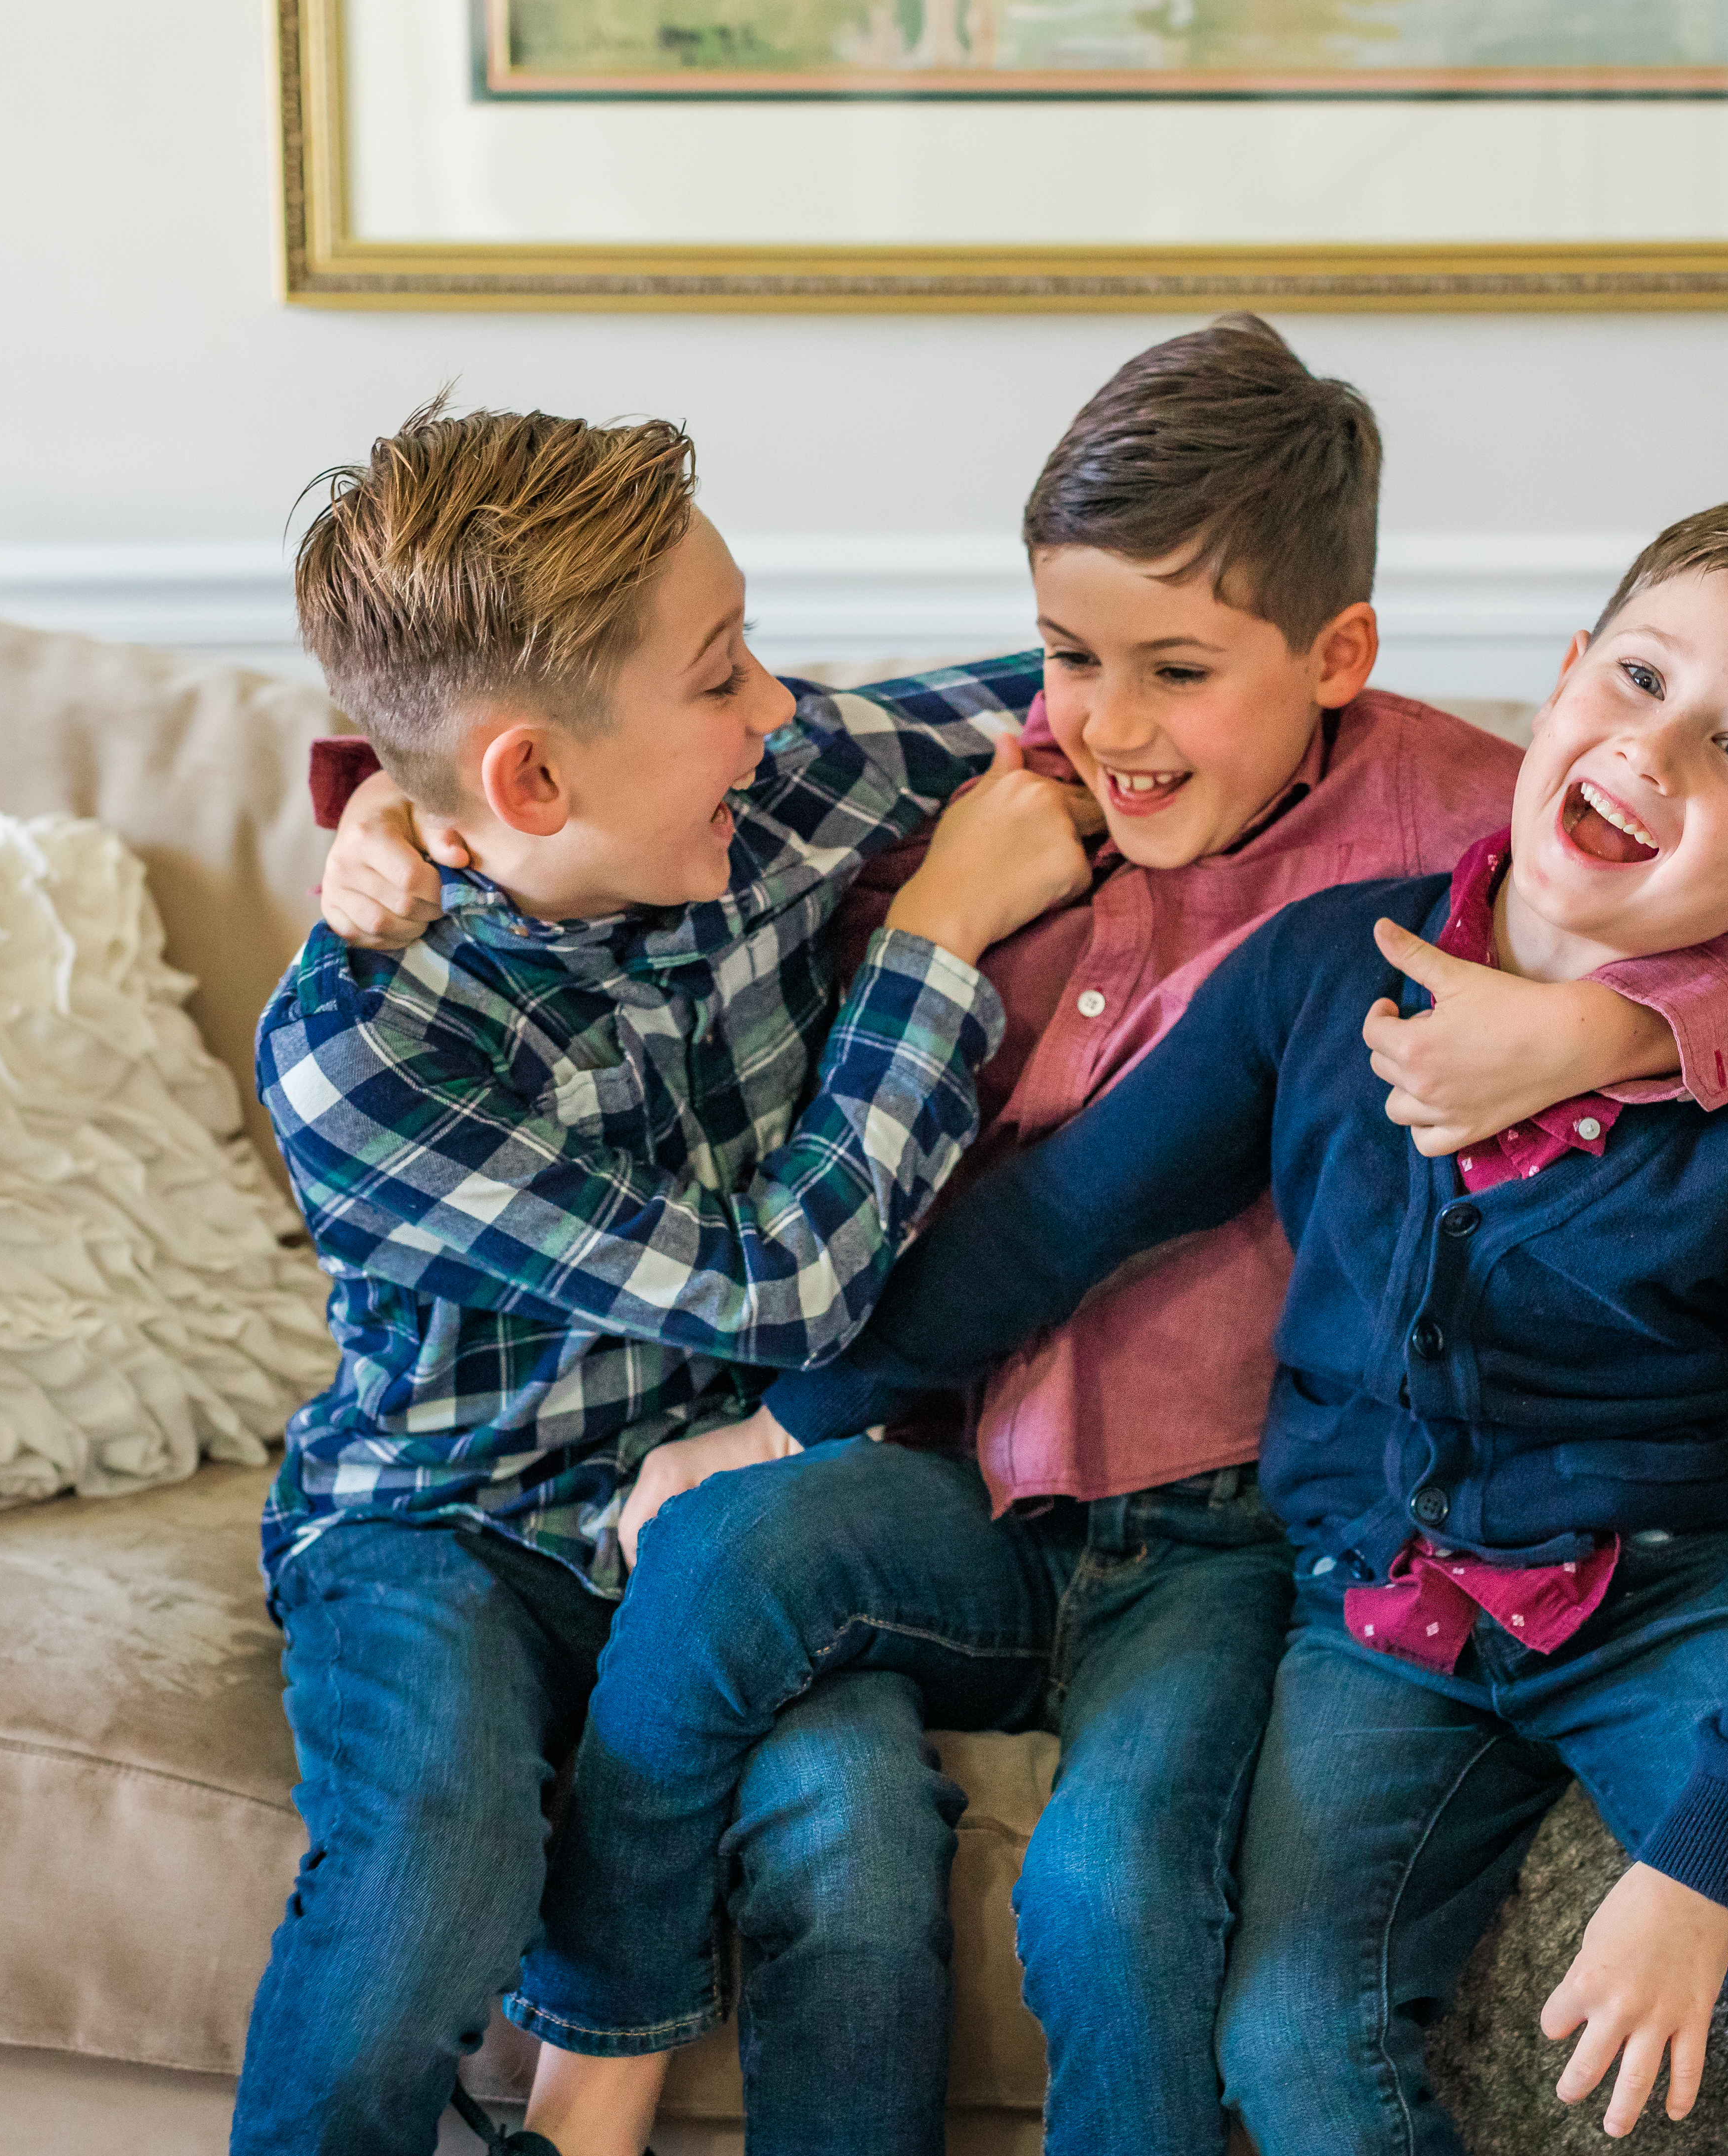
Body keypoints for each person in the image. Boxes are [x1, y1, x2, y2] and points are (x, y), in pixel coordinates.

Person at [317, 325, 1728, 2156]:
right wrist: (382, 803)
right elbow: (563, 771)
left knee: (1113, 1895)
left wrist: (1613, 1025)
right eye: (1076, 655)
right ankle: (582, 2108)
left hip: (1226, 1524)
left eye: (1171, 669)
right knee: (721, 1565)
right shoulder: (995, 761)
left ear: (1337, 661)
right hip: (964, 1469)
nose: (1111, 718)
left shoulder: (1461, 819)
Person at [751, 501, 1728, 2153]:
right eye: (1638, 678)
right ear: (1566, 675)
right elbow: (1065, 1217)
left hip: (1655, 1605)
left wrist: (1699, 1870)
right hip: (1368, 1613)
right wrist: (799, 1409)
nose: (1651, 749)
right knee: (1289, 2039)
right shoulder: (1317, 975)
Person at [227, 393, 1104, 2156]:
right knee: (429, 1869)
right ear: (530, 780)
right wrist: (935, 934)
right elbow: (783, 1290)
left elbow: (1121, 669)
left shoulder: (773, 791)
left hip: (728, 1527)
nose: (774, 705)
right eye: (720, 674)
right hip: (445, 1519)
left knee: (857, 1826)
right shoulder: (365, 1048)